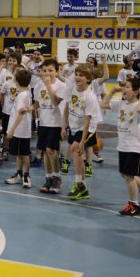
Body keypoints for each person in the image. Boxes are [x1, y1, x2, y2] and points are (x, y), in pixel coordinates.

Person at [101, 78, 140, 216]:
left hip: (135, 147)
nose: (124, 89)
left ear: (136, 91)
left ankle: (134, 206)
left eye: (127, 87)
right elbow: (103, 104)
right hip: (123, 145)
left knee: (129, 176)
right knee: (125, 173)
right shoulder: (122, 103)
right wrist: (112, 91)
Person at [61, 64, 101, 201]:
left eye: (81, 75)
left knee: (75, 149)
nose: (77, 77)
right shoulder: (71, 89)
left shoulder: (90, 96)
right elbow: (66, 108)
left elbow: (87, 121)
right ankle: (83, 188)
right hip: (74, 125)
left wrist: (82, 142)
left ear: (88, 79)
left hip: (87, 128)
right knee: (77, 155)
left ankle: (79, 185)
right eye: (76, 74)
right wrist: (63, 127)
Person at [33, 59, 67, 194]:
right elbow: (38, 103)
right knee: (45, 151)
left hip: (55, 122)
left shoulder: (61, 86)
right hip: (43, 122)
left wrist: (48, 85)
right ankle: (48, 178)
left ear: (57, 72)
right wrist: (28, 108)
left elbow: (56, 102)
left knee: (52, 151)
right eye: (44, 71)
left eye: (50, 71)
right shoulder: (38, 86)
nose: (47, 73)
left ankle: (57, 178)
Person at [4, 69, 34, 188]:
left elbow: (21, 114)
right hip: (20, 129)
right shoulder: (26, 93)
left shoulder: (22, 95)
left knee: (24, 154)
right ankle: (19, 174)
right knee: (19, 153)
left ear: (16, 80)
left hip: (21, 130)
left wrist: (12, 130)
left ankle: (26, 176)